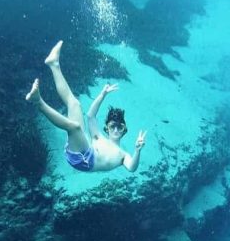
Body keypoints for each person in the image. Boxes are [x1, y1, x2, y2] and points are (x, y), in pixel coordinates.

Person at [26, 40, 146, 173]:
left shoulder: (123, 155)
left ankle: (38, 102)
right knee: (75, 104)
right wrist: (102, 95)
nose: (116, 130)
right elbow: (90, 116)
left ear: (125, 130)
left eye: (120, 127)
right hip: (80, 149)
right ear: (107, 127)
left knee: (75, 127)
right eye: (113, 126)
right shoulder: (98, 136)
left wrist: (137, 150)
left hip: (84, 161)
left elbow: (132, 167)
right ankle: (54, 65)